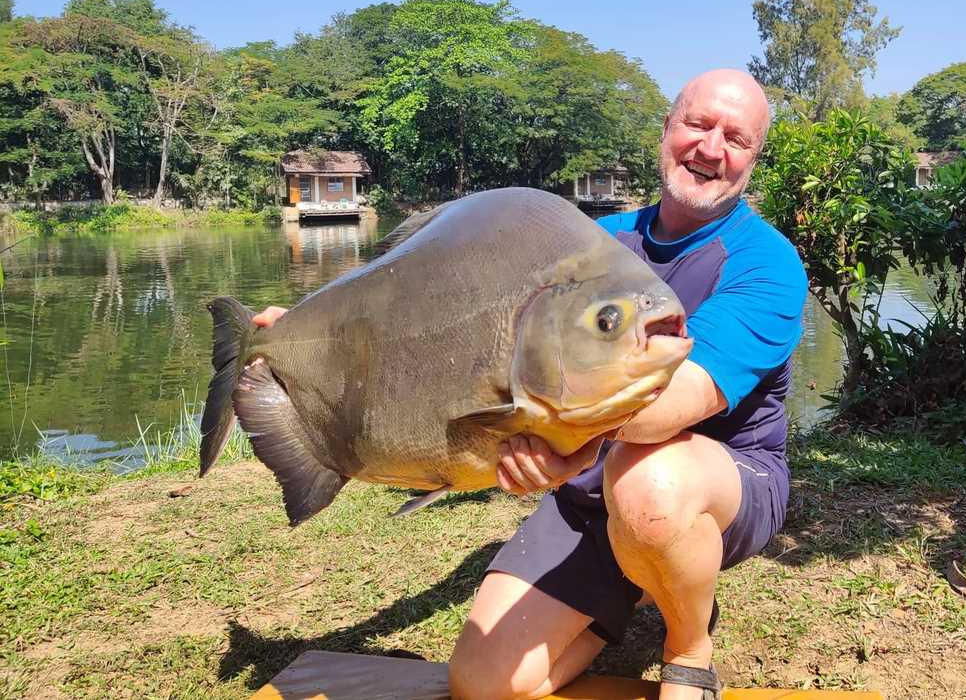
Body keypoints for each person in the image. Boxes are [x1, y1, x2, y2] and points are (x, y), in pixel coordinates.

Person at [254, 68, 807, 700]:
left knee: (650, 482)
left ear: (753, 160)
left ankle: (688, 647)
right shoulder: (593, 241)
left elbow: (666, 408)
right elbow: (450, 328)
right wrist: (318, 335)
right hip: (589, 495)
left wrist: (547, 422)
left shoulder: (767, 264)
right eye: (699, 125)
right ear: (668, 129)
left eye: (736, 138)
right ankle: (625, 582)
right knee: (484, 686)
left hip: (718, 479)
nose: (712, 149)